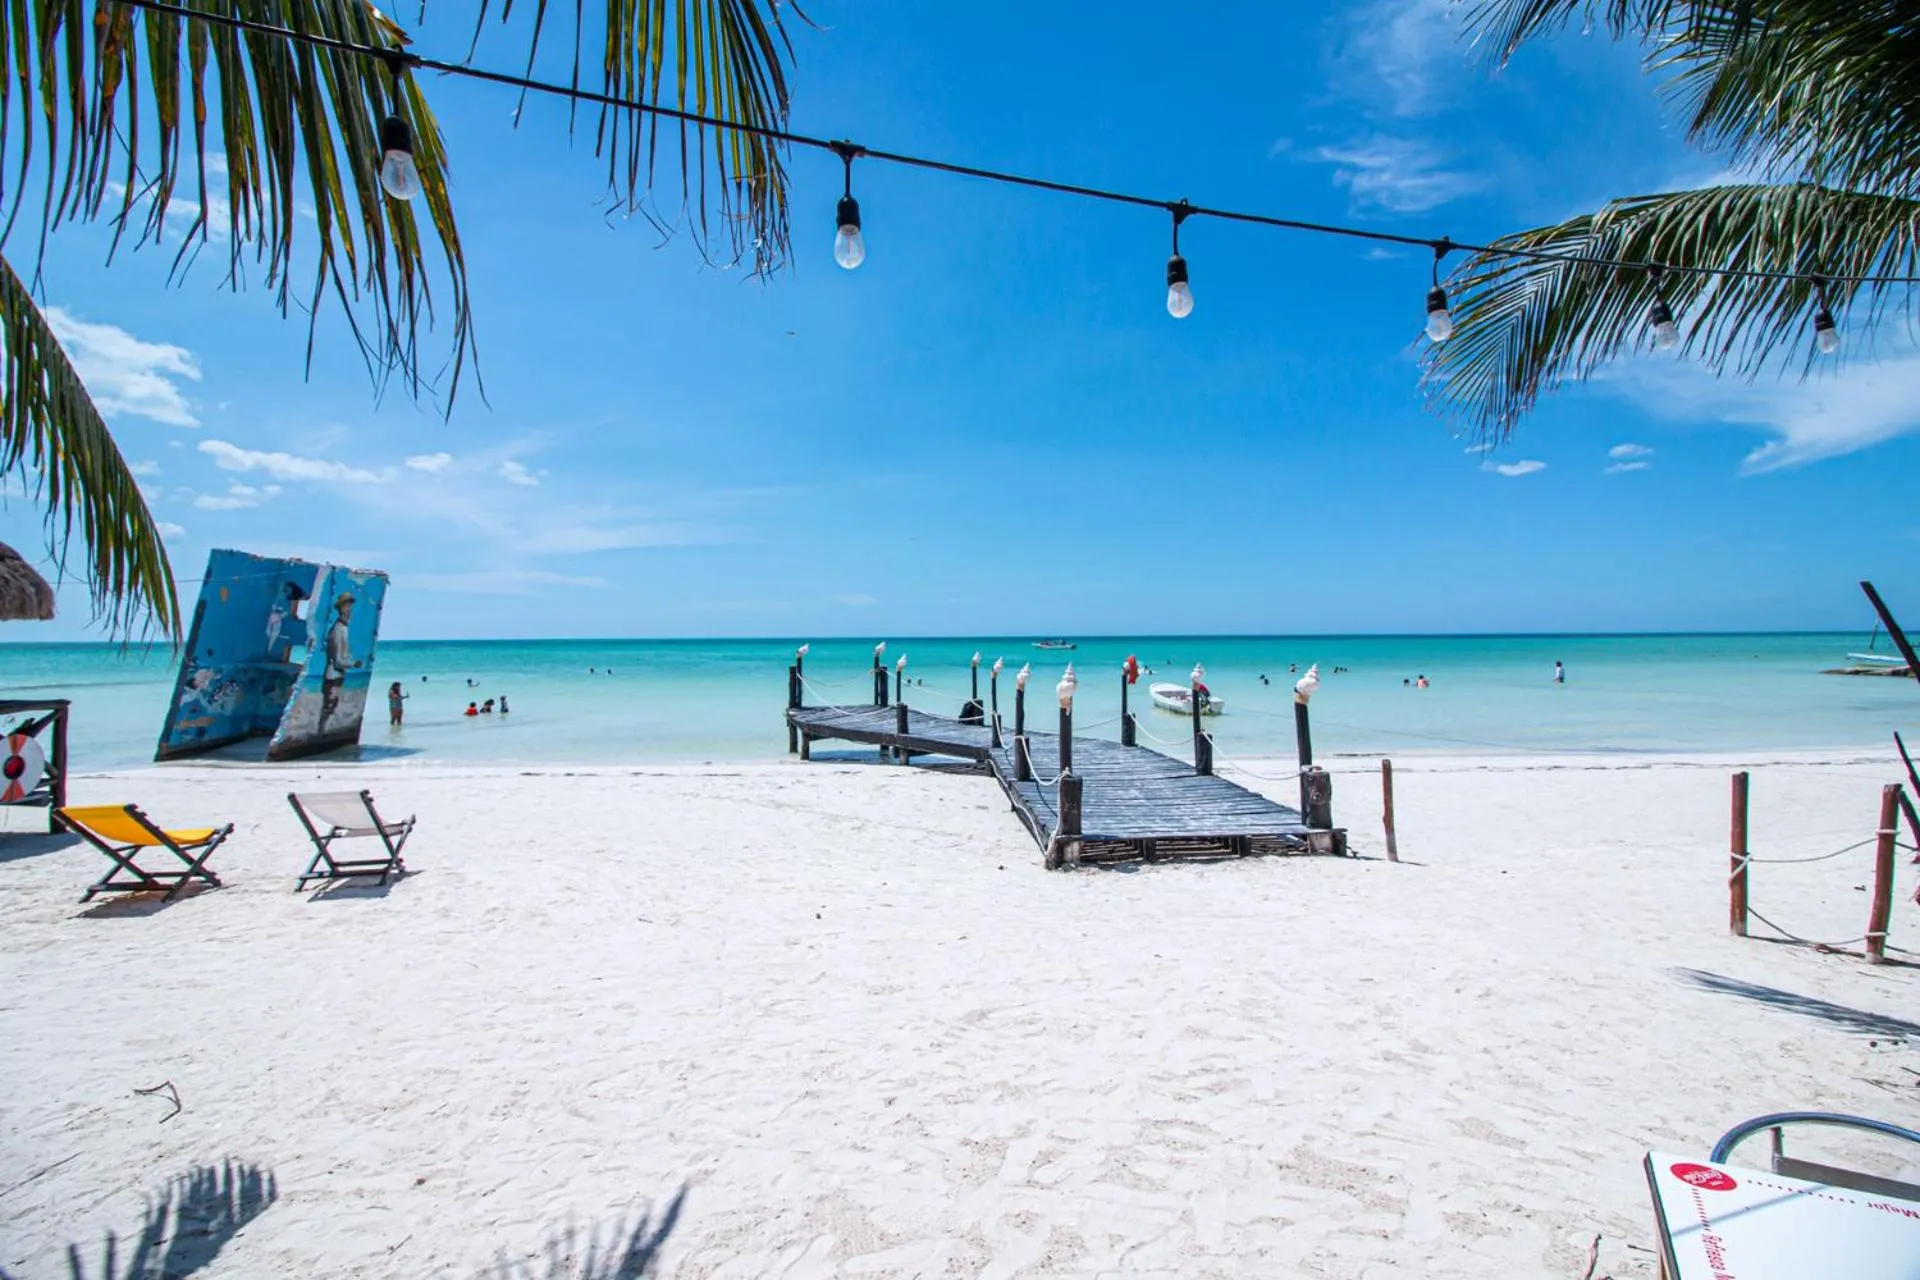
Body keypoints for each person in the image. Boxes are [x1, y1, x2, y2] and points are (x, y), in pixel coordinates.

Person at [319, 592, 361, 732]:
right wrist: (353, 664)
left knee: (331, 705)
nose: (349, 609)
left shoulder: (343, 628)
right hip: (333, 674)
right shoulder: (339, 629)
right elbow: (338, 660)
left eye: (350, 606)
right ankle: (322, 732)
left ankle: (323, 732)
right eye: (346, 606)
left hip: (337, 674)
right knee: (329, 706)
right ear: (341, 608)